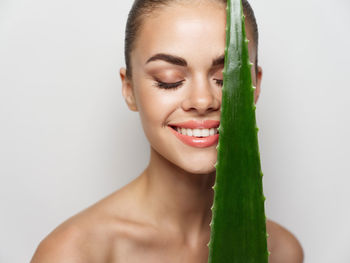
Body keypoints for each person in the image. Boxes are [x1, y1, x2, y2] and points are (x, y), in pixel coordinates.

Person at [31, 0, 304, 262]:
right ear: (129, 90)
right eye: (169, 81)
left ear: (255, 85)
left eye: (226, 78)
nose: (202, 101)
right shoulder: (73, 254)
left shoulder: (281, 252)